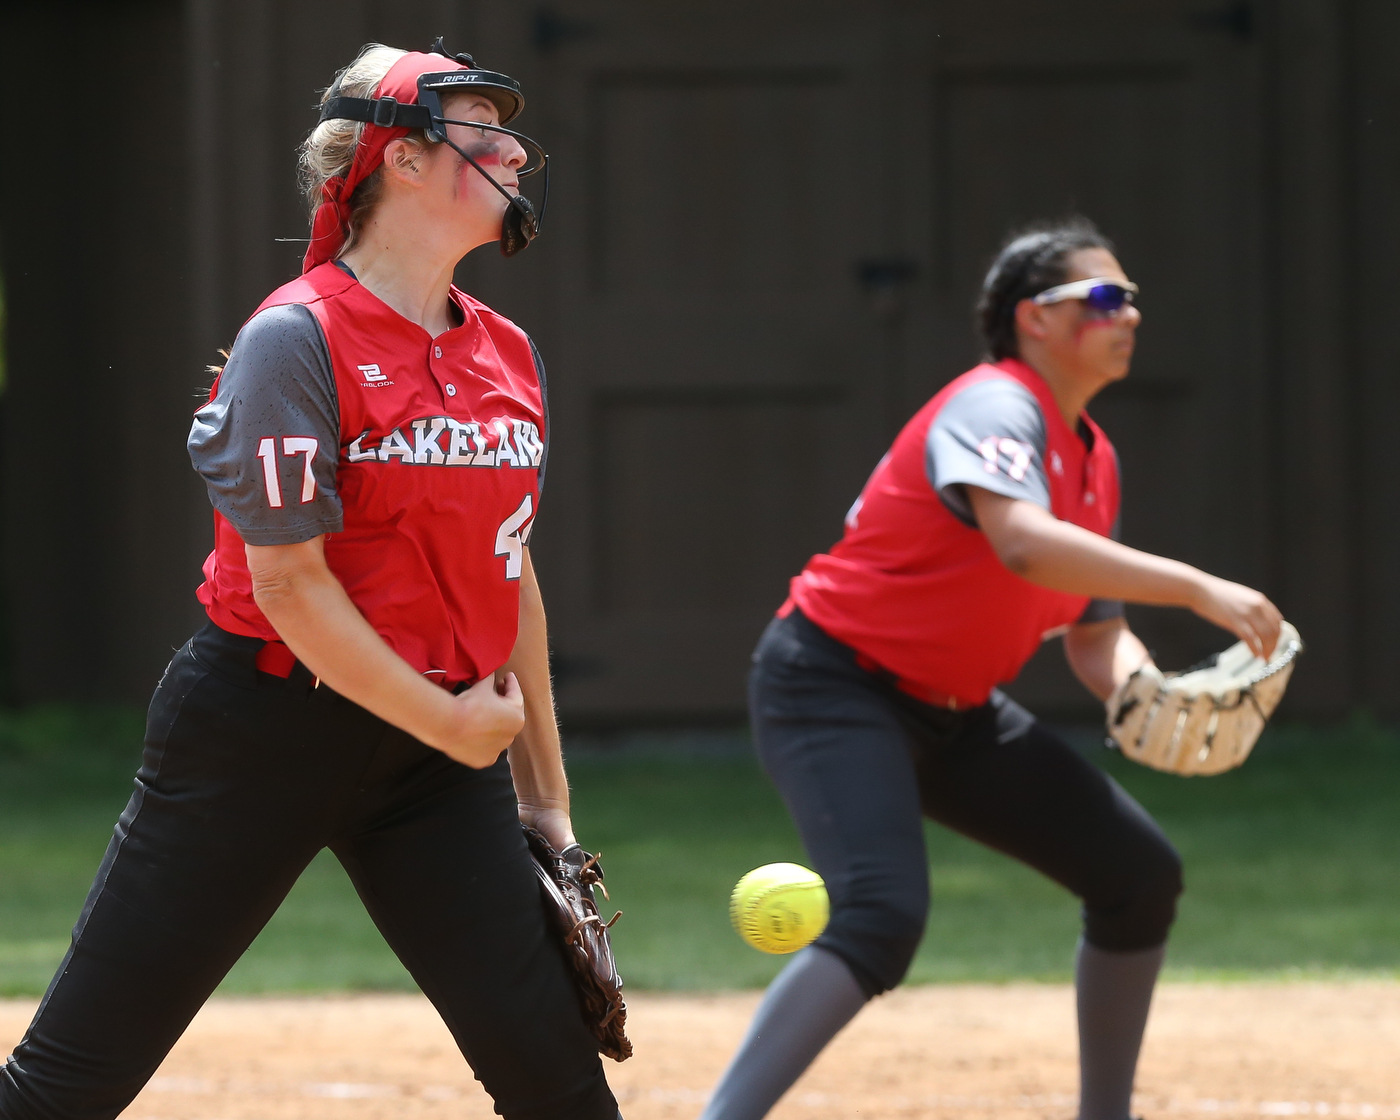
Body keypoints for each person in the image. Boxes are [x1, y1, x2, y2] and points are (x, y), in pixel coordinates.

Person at [0, 42, 621, 1120]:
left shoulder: (506, 352)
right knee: (67, 1085)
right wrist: (443, 717)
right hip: (262, 731)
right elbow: (288, 585)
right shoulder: (295, 340)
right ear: (404, 161)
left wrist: (544, 797)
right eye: (482, 129)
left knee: (558, 1084)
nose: (516, 149)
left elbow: (507, 561)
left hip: (439, 764)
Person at [699, 218, 1283, 1120]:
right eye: (1100, 297)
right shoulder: (993, 403)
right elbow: (1024, 545)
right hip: (831, 684)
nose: (1126, 313)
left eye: (1131, 298)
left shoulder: (1095, 456)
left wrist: (1141, 688)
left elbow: (1095, 630)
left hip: (957, 712)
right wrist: (1199, 588)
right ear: (1031, 319)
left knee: (1138, 874)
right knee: (880, 916)